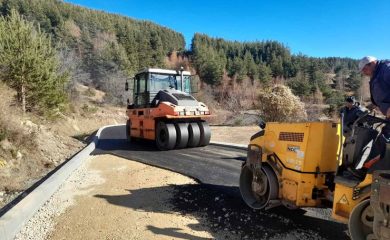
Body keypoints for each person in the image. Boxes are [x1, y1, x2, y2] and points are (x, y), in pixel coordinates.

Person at [357, 56, 390, 171]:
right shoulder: (377, 74)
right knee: (383, 137)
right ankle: (372, 167)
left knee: (385, 139)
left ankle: (373, 168)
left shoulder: (386, 69)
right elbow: (382, 94)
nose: (364, 73)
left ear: (372, 63)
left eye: (364, 69)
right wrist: (373, 105)